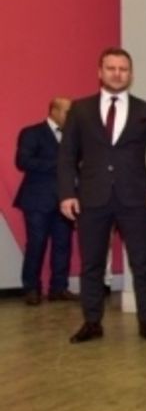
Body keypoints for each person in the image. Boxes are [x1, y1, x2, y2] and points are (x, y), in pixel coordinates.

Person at [58, 48, 146, 343]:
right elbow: (66, 156)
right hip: (92, 197)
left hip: (136, 198)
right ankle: (92, 322)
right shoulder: (80, 110)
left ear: (131, 74)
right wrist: (67, 193)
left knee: (142, 263)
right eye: (111, 68)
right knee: (91, 264)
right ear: (100, 72)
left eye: (123, 69)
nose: (117, 74)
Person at [14, 97, 75, 305]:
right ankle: (31, 289)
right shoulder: (32, 133)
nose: (71, 116)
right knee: (36, 244)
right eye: (67, 112)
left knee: (63, 245)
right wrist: (59, 164)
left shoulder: (73, 136)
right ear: (54, 111)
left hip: (65, 199)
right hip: (37, 200)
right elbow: (22, 161)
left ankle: (59, 288)